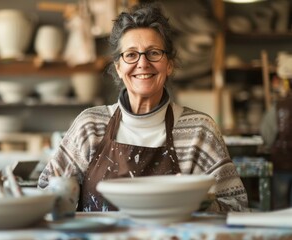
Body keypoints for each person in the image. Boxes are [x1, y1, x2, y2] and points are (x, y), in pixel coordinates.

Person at [38, 2, 248, 213]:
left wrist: (196, 200)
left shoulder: (199, 130)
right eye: (131, 54)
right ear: (118, 68)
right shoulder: (90, 126)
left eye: (154, 53)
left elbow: (236, 208)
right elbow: (48, 193)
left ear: (169, 64)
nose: (143, 63)